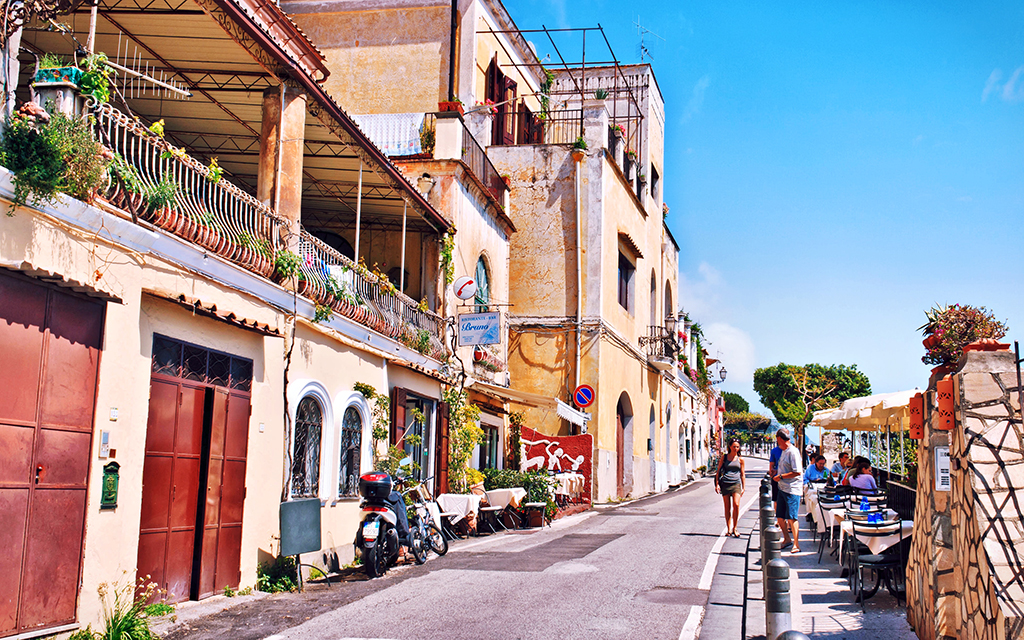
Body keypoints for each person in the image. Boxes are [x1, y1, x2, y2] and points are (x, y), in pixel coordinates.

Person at [772, 427, 803, 553]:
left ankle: (796, 544)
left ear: (780, 438)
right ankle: (786, 538)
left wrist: (780, 476)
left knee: (792, 517)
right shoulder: (784, 451)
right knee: (780, 517)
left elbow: (797, 471)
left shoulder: (792, 452)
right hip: (782, 488)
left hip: (792, 489)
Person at [715, 438, 746, 537]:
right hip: (725, 483)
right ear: (730, 447)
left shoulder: (741, 459)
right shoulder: (724, 458)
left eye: (737, 447)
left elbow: (742, 474)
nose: (736, 448)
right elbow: (718, 471)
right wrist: (717, 484)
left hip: (736, 484)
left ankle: (735, 527)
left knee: (736, 505)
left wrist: (743, 487)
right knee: (727, 507)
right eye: (734, 447)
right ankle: (728, 528)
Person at [769, 438, 783, 510]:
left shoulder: (791, 451)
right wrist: (771, 473)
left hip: (787, 478)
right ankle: (778, 519)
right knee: (776, 498)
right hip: (776, 477)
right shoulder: (774, 451)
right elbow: (771, 464)